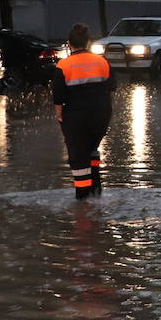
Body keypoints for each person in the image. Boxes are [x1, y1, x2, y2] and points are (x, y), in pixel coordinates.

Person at [52, 24, 115, 200]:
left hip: (75, 117)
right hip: (101, 115)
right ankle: (96, 188)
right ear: (87, 42)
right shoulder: (102, 61)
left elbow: (58, 96)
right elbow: (111, 87)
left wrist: (59, 115)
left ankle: (83, 199)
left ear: (69, 44)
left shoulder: (63, 65)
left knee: (78, 155)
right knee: (92, 148)